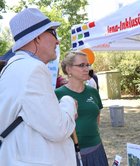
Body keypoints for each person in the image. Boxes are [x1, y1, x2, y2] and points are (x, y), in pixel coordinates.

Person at [0, 8, 78, 165]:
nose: (58, 41)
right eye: (53, 33)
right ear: (37, 37)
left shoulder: (14, 68)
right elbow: (58, 129)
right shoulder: (32, 68)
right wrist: (69, 102)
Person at [55, 51, 109, 166]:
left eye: (87, 65)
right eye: (81, 65)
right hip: (70, 153)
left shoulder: (93, 92)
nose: (87, 69)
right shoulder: (57, 94)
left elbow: (96, 118)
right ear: (69, 69)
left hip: (96, 149)